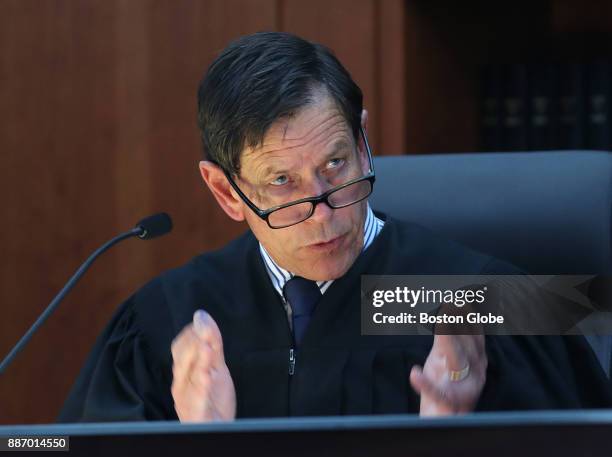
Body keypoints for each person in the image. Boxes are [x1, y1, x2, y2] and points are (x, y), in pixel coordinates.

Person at [59, 32, 611, 422]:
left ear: (364, 144)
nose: (323, 210)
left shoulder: (477, 297)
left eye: (335, 165)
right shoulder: (167, 323)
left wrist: (458, 438)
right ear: (225, 191)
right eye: (281, 182)